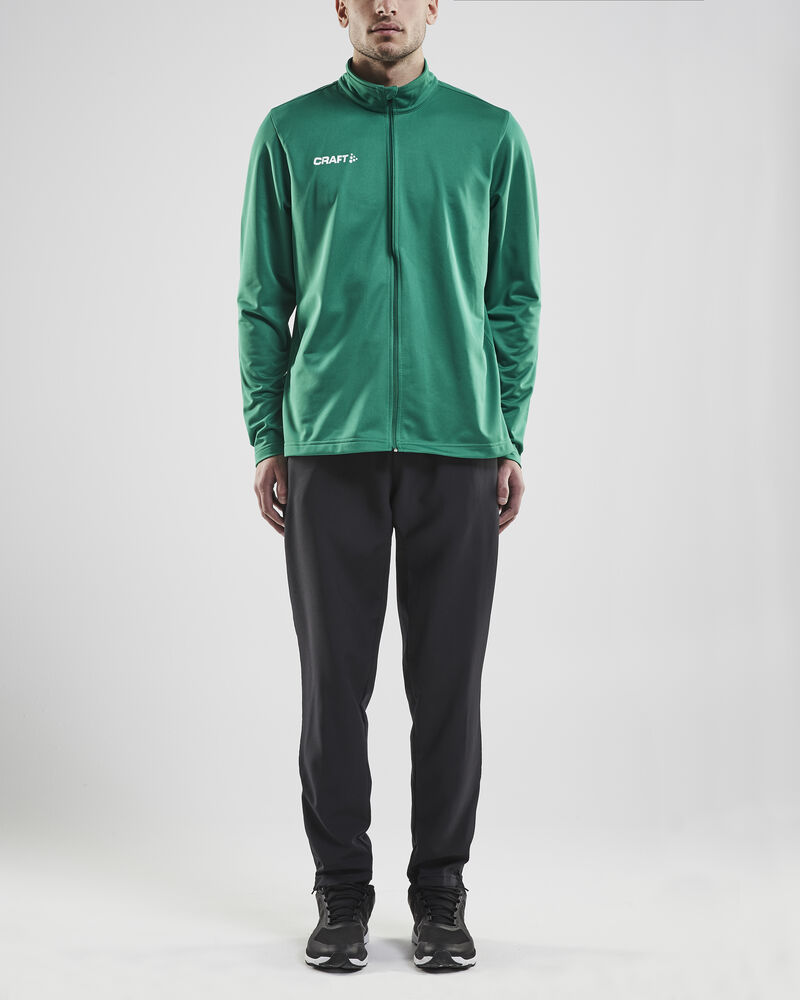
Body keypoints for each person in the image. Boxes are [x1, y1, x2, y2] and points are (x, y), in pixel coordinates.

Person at [237, 0, 541, 974]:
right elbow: (262, 299)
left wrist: (506, 431)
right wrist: (268, 435)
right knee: (334, 687)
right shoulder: (291, 133)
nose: (384, 7)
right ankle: (340, 894)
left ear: (432, 6)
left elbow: (513, 299)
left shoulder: (490, 134)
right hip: (328, 446)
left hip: (458, 445)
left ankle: (440, 895)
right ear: (339, 6)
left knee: (447, 686)